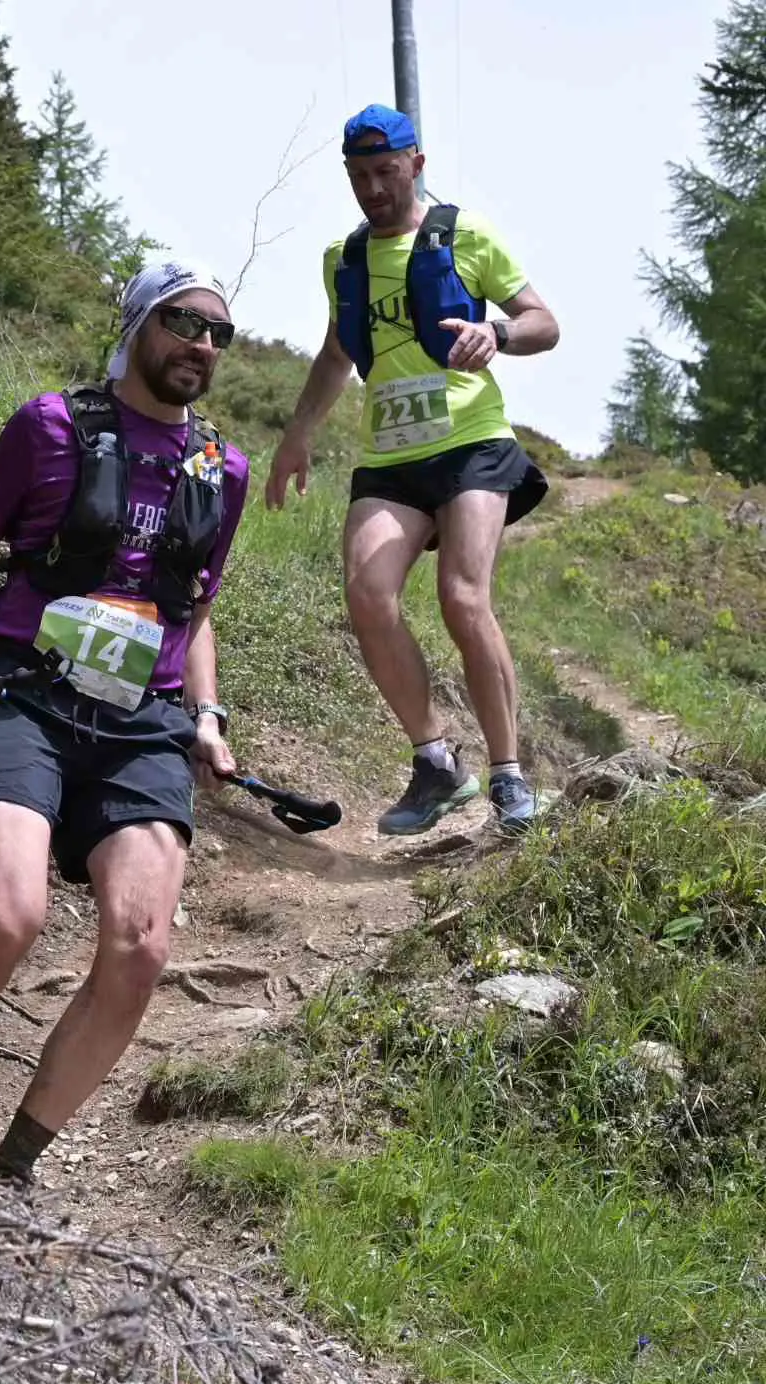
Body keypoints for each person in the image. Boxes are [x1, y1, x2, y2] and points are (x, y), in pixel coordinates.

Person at [0, 259, 250, 1185]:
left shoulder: (222, 469)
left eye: (218, 332)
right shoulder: (51, 426)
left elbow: (194, 611)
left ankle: (13, 1164)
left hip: (143, 725)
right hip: (26, 695)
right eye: (183, 321)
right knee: (9, 912)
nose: (202, 344)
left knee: (141, 948)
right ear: (137, 324)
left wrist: (208, 716)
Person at [266, 104, 560, 836]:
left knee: (462, 597)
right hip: (391, 457)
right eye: (359, 176)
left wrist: (495, 333)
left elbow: (543, 323)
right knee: (368, 593)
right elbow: (338, 351)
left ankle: (510, 774)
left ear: (416, 165)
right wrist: (297, 434)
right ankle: (436, 764)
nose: (373, 189)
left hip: (471, 443)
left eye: (386, 172)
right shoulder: (344, 259)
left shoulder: (466, 235)